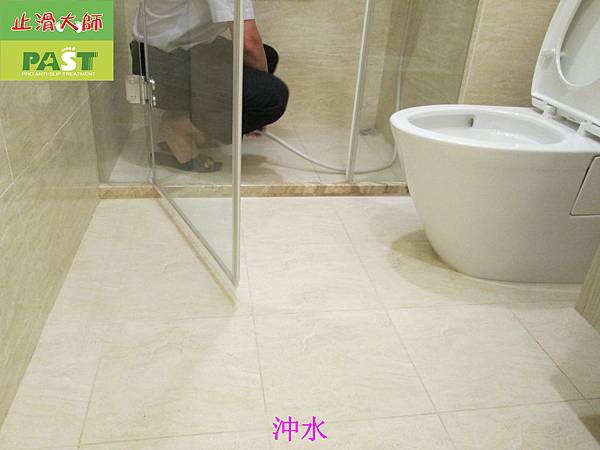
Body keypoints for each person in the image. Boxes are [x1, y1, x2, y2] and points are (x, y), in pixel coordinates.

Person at [131, 0, 289, 172]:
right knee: (272, 97)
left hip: (166, 52)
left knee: (268, 57)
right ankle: (177, 127)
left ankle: (197, 128)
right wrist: (258, 99)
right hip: (159, 66)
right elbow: (249, 45)